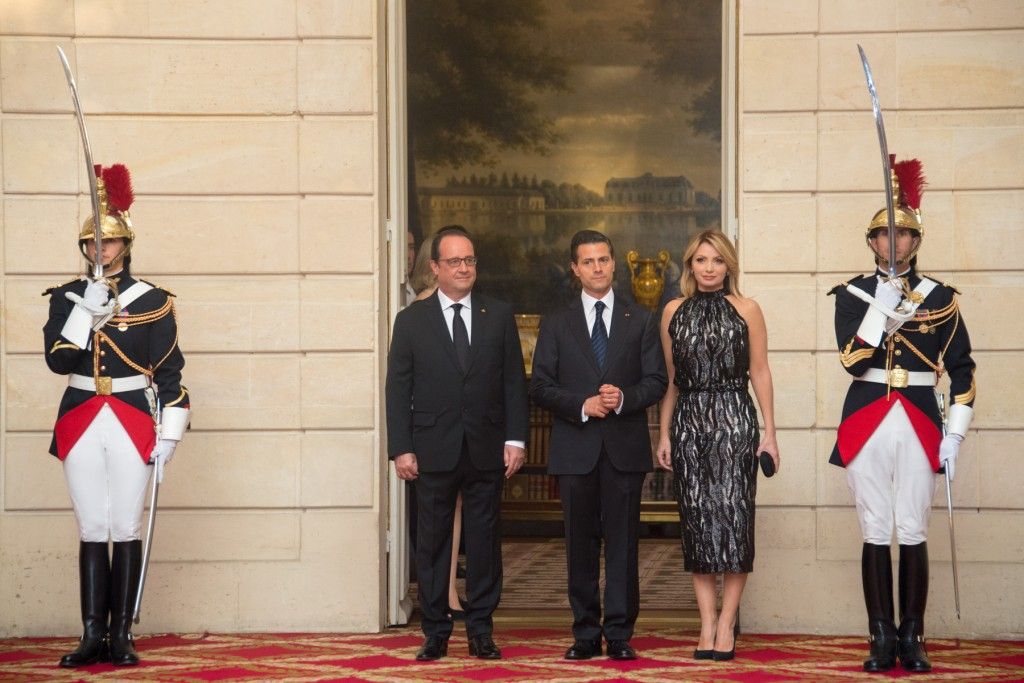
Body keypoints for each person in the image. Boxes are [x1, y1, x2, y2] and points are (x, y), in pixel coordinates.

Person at [828, 157, 975, 674]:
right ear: (871, 241)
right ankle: (880, 635)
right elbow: (852, 360)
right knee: (875, 525)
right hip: (867, 415)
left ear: (916, 240)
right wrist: (880, 307)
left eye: (902, 234)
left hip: (919, 415)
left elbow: (962, 369)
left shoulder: (941, 298)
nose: (893, 243)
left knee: (911, 525)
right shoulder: (852, 294)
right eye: (884, 235)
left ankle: (913, 635)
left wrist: (955, 434)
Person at [43, 164, 190, 667]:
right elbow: (59, 361)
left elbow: (169, 372)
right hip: (80, 415)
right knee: (91, 525)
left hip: (131, 416)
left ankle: (121, 634)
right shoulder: (65, 297)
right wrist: (85, 310)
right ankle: (91, 635)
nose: (100, 250)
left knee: (125, 523)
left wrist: (170, 434)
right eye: (92, 243)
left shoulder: (152, 300)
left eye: (108, 242)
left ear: (125, 244)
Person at [386, 225, 529, 661]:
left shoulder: (498, 314)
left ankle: (481, 629)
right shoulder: (411, 321)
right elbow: (398, 388)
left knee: (484, 542)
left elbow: (513, 382)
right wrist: (401, 447)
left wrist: (516, 439)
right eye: (454, 261)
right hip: (432, 449)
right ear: (435, 267)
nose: (464, 268)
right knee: (432, 544)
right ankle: (436, 632)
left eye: (469, 260)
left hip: (487, 447)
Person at [530, 230, 667, 661]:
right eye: (588, 261)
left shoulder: (639, 319)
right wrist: (583, 405)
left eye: (604, 259)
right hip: (575, 450)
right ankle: (586, 633)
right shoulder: (557, 321)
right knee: (580, 546)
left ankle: (620, 634)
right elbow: (540, 386)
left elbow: (657, 381)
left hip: (624, 451)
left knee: (624, 544)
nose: (597, 268)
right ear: (575, 268)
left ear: (614, 263)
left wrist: (623, 398)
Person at [655, 229, 778, 662]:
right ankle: (706, 623)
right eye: (701, 260)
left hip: (735, 425)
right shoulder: (673, 311)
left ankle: (727, 622)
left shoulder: (748, 309)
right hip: (689, 426)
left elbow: (760, 371)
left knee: (735, 523)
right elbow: (671, 380)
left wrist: (770, 432)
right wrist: (664, 433)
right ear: (690, 265)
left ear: (729, 266)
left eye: (718, 260)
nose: (709, 268)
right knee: (697, 526)